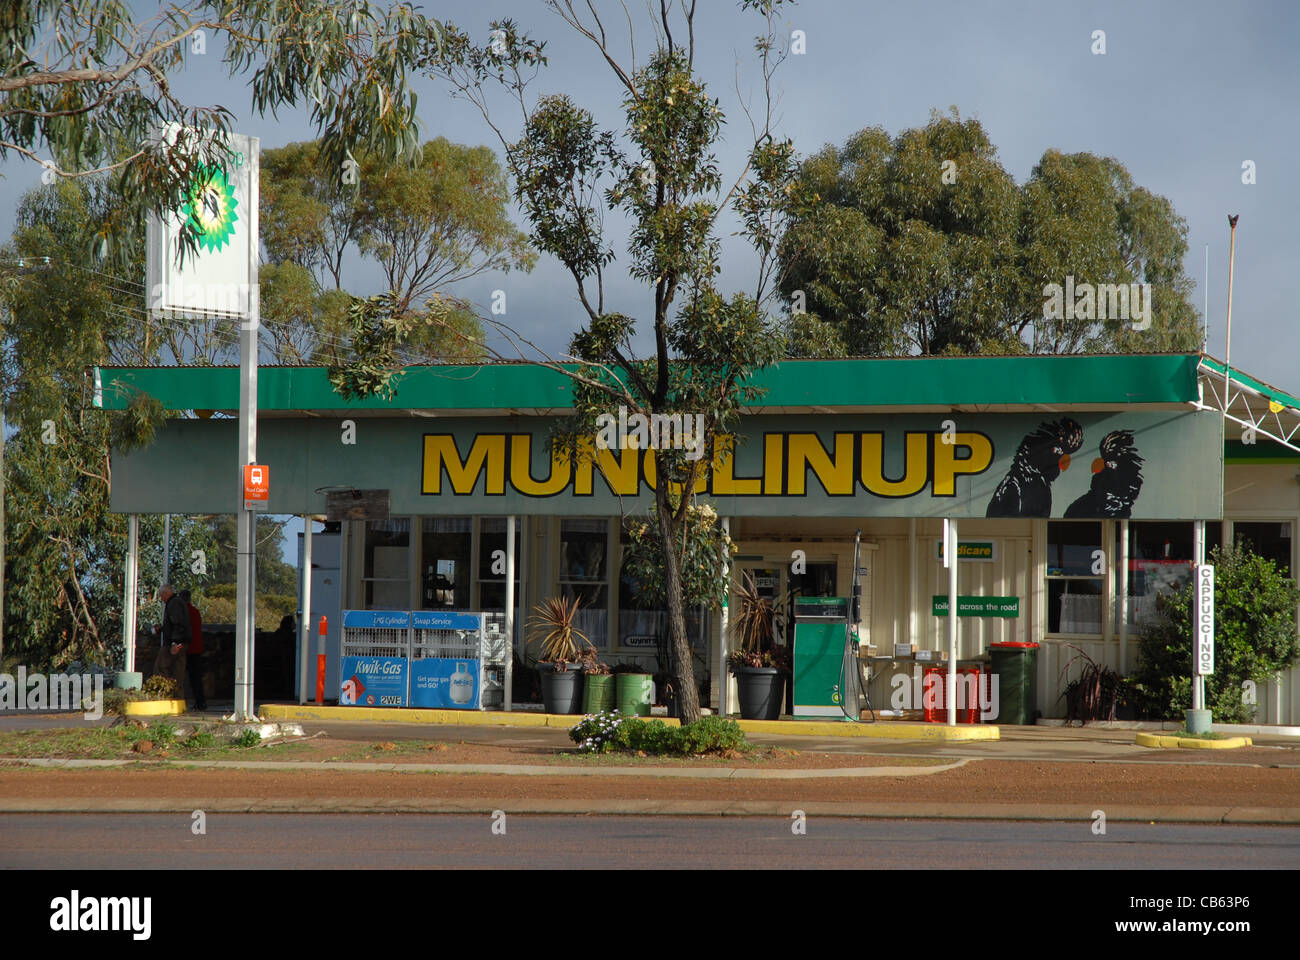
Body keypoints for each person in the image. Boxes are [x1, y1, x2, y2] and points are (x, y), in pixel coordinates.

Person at [152, 584, 191, 699]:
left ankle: (163, 695)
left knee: (160, 667)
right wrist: (162, 628)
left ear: (165, 593)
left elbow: (177, 623)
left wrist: (175, 642)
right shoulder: (178, 603)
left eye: (161, 595)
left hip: (174, 643)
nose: (161, 598)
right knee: (178, 672)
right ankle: (177, 698)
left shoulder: (173, 604)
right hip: (183, 642)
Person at [181, 589, 207, 710]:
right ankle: (200, 701)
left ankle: (195, 701)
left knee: (183, 676)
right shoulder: (195, 611)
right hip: (197, 648)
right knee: (196, 677)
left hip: (187, 648)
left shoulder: (184, 612)